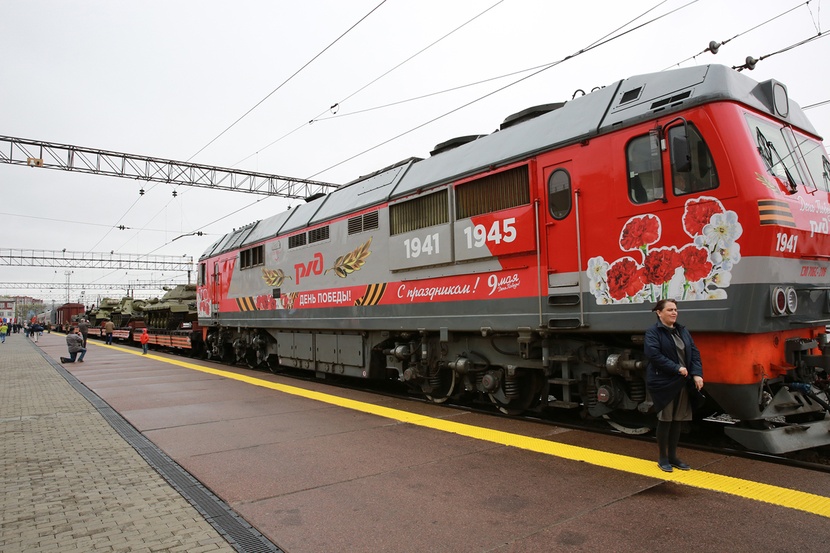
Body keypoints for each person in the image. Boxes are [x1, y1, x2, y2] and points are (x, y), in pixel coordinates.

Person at [644, 298, 704, 472]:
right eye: (670, 309)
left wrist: (697, 374)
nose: (674, 312)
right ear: (659, 312)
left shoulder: (682, 331)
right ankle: (663, 458)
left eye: (675, 309)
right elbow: (653, 355)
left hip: (682, 382)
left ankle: (673, 457)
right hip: (664, 382)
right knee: (665, 419)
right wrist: (676, 368)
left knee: (678, 420)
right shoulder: (653, 332)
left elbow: (694, 353)